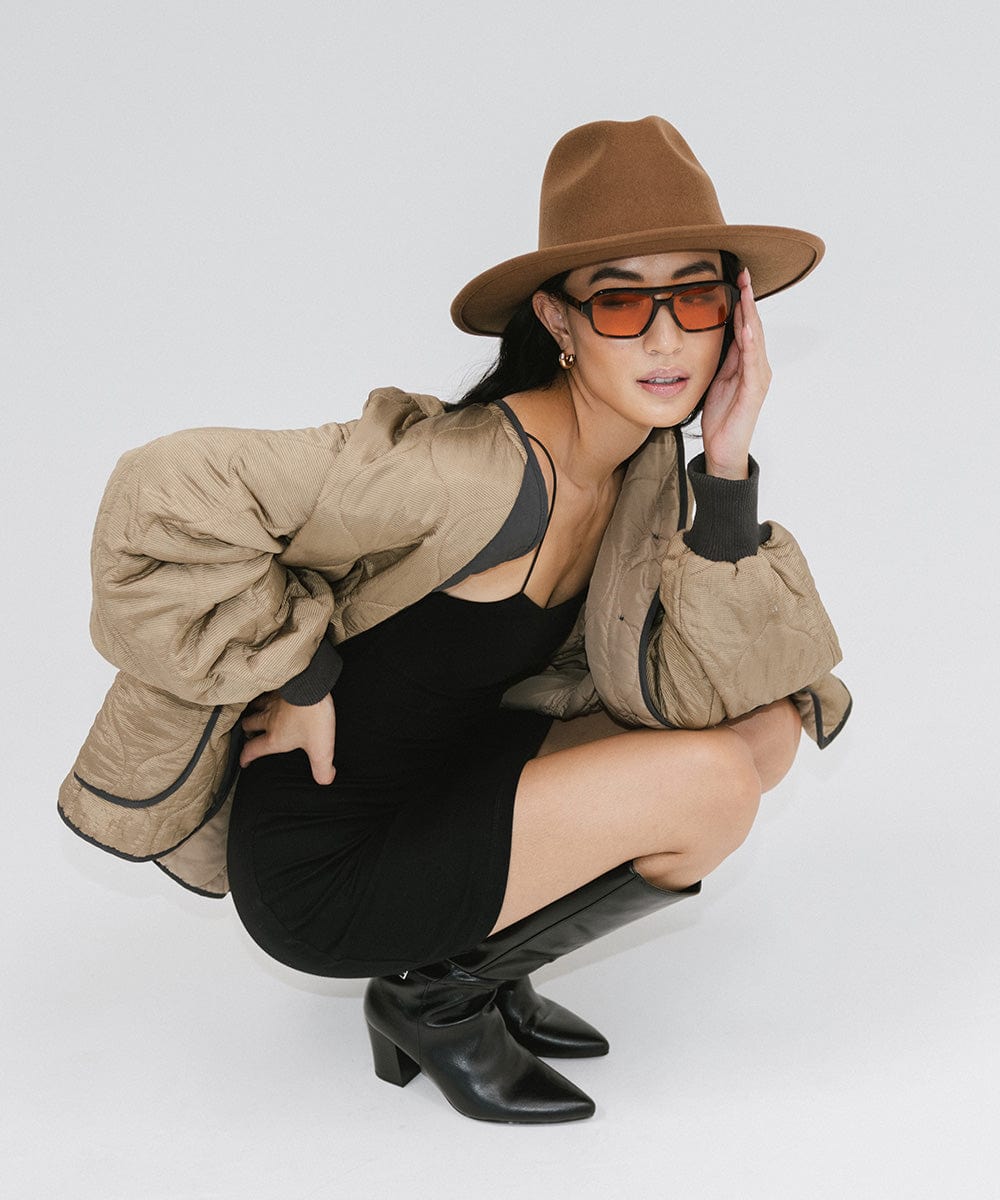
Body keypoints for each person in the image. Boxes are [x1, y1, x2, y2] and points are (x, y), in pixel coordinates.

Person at [60, 117, 851, 1124]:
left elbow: (712, 682)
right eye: (618, 301)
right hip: (331, 857)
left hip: (448, 779)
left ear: (728, 317)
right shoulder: (470, 472)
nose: (663, 338)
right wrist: (296, 673)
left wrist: (727, 463)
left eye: (691, 297)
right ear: (556, 322)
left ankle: (466, 973)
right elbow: (160, 492)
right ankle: (434, 998)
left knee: (766, 733)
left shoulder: (639, 467)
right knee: (711, 785)